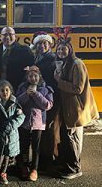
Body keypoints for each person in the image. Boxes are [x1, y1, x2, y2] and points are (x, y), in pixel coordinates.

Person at [54, 36, 99, 179]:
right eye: (59, 49)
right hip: (69, 106)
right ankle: (68, 164)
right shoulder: (66, 63)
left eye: (64, 48)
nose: (61, 51)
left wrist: (58, 81)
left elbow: (78, 88)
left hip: (75, 107)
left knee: (72, 137)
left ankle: (74, 168)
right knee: (67, 137)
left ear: (70, 49)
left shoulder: (77, 64)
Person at [16, 65, 54, 181]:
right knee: (24, 146)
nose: (33, 78)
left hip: (38, 123)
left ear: (39, 77)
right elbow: (17, 102)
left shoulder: (46, 89)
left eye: (35, 76)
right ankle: (24, 167)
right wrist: (26, 94)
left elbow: (47, 105)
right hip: (24, 122)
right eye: (30, 76)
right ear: (27, 77)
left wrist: (36, 94)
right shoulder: (22, 87)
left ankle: (34, 169)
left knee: (36, 147)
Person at [0, 80, 25, 186]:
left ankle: (3, 173)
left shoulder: (15, 104)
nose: (5, 92)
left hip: (11, 135)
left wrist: (11, 125)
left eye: (7, 90)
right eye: (2, 90)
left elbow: (21, 117)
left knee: (7, 156)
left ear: (10, 91)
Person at [31, 31, 59, 168]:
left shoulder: (52, 59)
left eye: (44, 43)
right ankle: (41, 159)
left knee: (48, 128)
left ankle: (48, 159)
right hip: (39, 97)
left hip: (48, 97)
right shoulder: (37, 58)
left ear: (49, 45)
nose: (42, 46)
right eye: (39, 44)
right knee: (41, 127)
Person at [0, 27, 34, 92]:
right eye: (5, 35)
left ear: (15, 36)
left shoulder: (25, 51)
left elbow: (32, 69)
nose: (8, 37)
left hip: (19, 89)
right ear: (0, 37)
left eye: (10, 34)